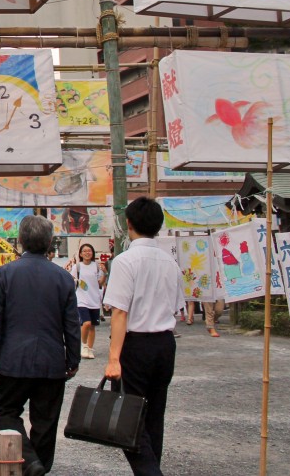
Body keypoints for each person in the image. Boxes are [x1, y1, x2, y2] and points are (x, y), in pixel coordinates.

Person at [0, 215, 80, 476]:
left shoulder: (5, 274)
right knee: (45, 420)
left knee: (7, 411)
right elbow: (71, 324)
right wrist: (73, 359)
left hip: (13, 359)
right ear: (49, 243)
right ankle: (40, 466)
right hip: (51, 359)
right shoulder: (64, 278)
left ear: (20, 241)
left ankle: (29, 460)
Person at [103, 197, 186, 476]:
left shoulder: (125, 261)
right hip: (165, 343)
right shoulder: (170, 262)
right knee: (153, 417)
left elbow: (119, 313)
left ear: (128, 224)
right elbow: (176, 306)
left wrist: (113, 358)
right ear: (159, 225)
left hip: (135, 344)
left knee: (129, 420)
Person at [70, 242, 107, 359]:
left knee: (92, 326)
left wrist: (105, 273)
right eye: (84, 251)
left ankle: (90, 349)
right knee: (86, 323)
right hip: (81, 299)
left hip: (94, 299)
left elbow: (100, 283)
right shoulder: (77, 267)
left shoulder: (96, 266)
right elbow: (71, 279)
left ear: (92, 253)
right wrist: (75, 281)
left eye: (89, 251)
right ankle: (83, 345)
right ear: (80, 253)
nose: (87, 253)